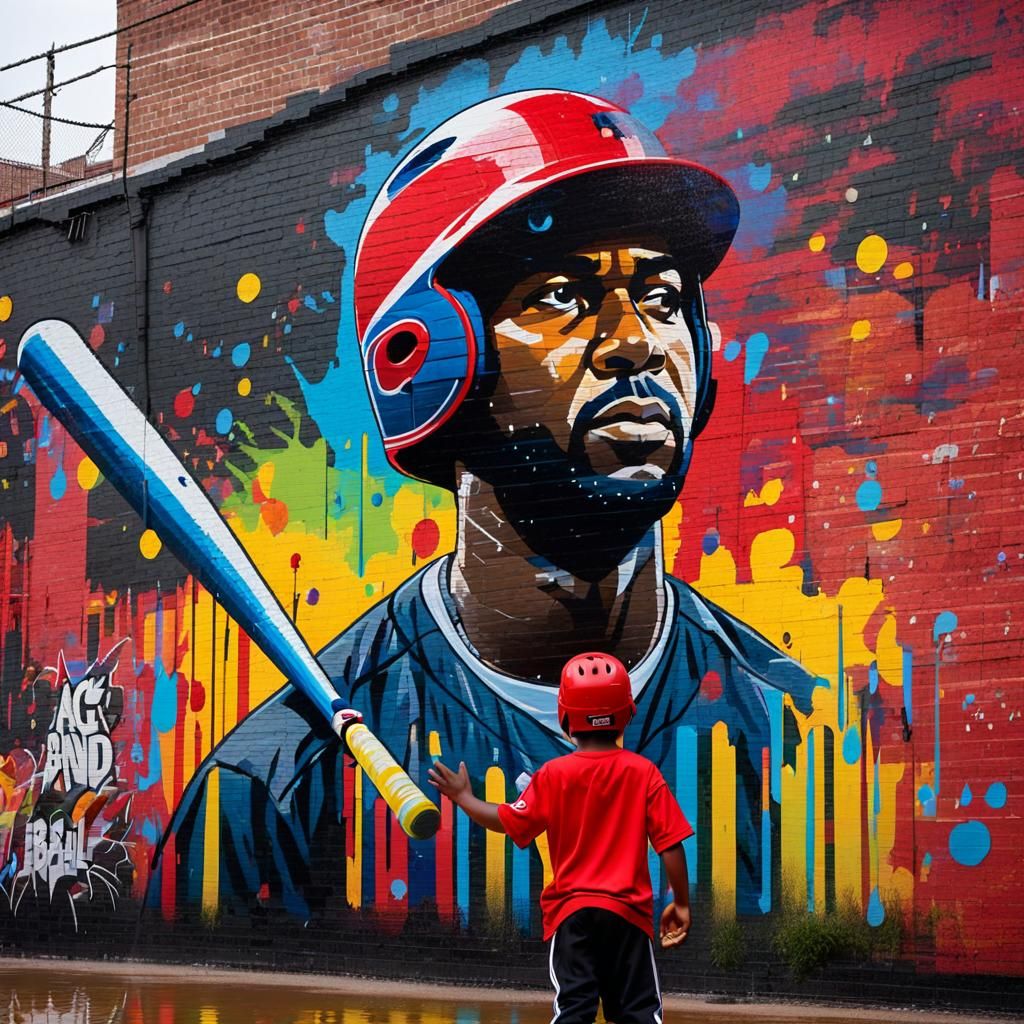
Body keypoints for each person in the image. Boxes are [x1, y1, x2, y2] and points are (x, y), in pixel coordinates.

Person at [147, 90, 818, 922]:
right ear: (431, 355)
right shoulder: (277, 787)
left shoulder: (795, 726)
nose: (636, 343)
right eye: (563, 297)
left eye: (661, 297)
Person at [430, 651, 691, 1024]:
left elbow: (507, 820)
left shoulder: (553, 776)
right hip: (627, 917)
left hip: (572, 916)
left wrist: (464, 798)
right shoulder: (643, 773)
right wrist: (680, 903)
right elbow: (671, 845)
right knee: (639, 1013)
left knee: (573, 1010)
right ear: (626, 713)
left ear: (566, 716)